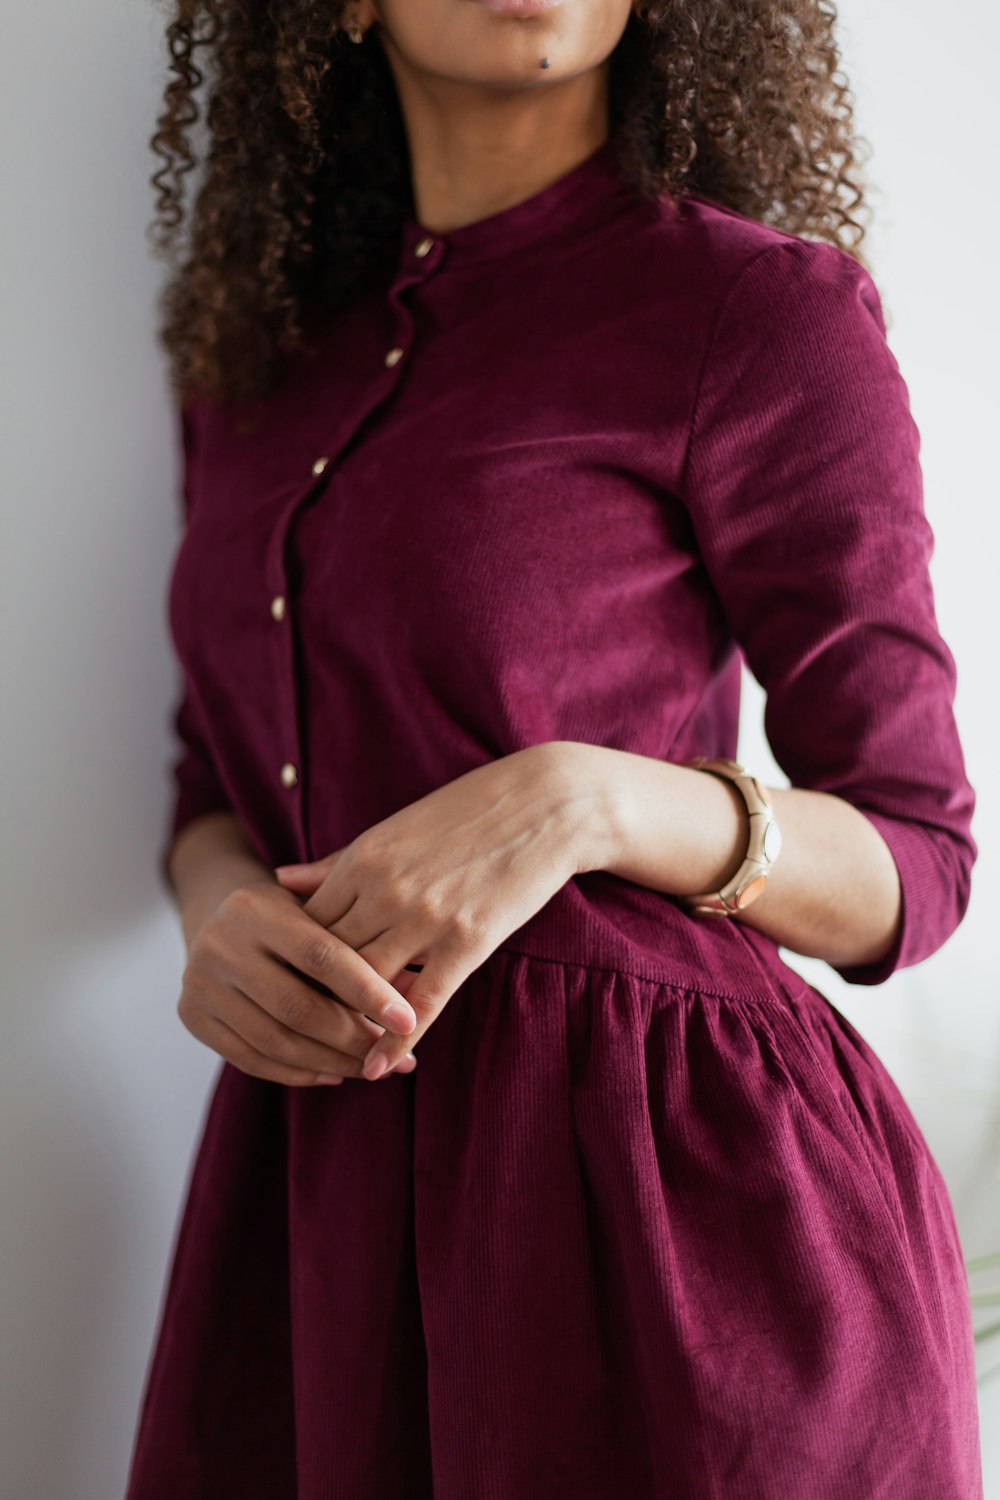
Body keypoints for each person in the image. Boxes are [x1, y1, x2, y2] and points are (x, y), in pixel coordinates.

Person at [124, 1, 983, 1496]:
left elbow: (918, 863)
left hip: (675, 1202)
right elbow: (215, 773)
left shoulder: (757, 309)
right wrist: (219, 921)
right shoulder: (251, 361)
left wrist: (583, 800)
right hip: (314, 1203)